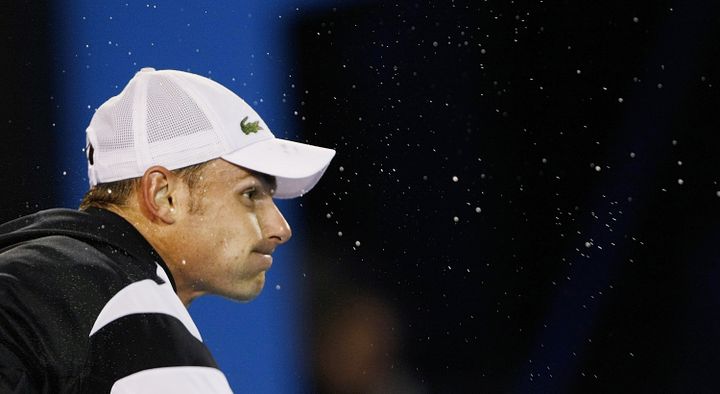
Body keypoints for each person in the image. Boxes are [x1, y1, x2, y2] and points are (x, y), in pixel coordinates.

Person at [0, 67, 335, 392]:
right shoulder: (130, 308)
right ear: (163, 196)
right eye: (250, 194)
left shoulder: (41, 272)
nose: (281, 228)